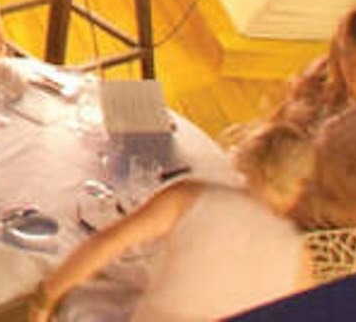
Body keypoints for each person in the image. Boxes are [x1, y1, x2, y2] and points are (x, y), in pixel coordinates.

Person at [28, 125, 314, 322]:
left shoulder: (191, 196)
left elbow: (106, 243)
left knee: (83, 299)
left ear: (247, 158)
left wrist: (46, 296)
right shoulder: (300, 257)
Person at [229, 8, 356, 227]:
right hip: (273, 178)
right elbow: (280, 121)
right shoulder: (325, 76)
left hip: (320, 223)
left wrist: (288, 203)